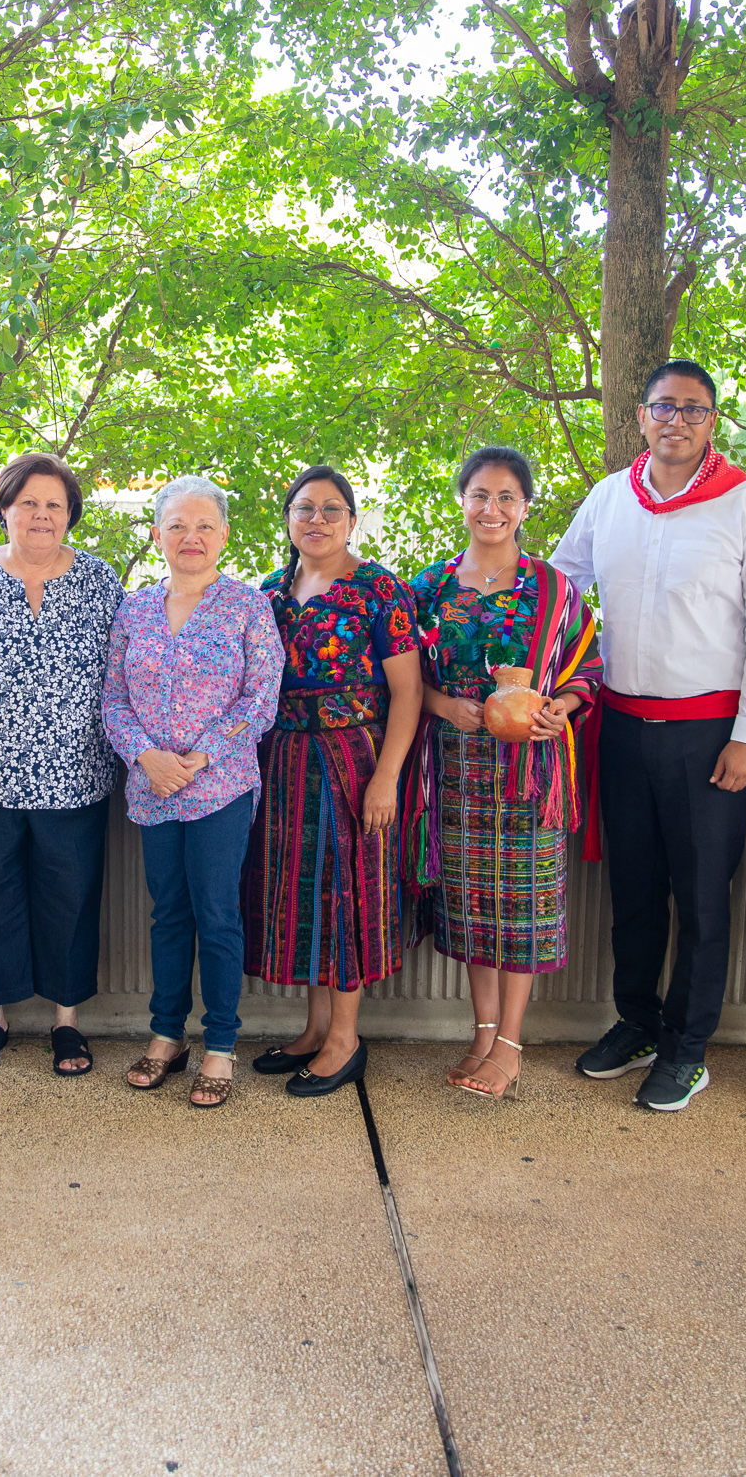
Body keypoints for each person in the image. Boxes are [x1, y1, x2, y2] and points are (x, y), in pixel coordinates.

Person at [552, 359, 746, 1113]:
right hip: (621, 726)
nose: (677, 420)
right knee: (633, 892)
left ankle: (689, 1048)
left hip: (708, 734)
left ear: (712, 421)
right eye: (664, 406)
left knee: (701, 901)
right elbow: (559, 586)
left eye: (693, 409)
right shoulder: (608, 497)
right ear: (641, 414)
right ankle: (639, 1022)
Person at [405, 447, 601, 1102]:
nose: (492, 508)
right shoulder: (429, 588)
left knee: (520, 907)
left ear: (524, 506)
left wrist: (560, 709)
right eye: (481, 494)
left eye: (507, 496)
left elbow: (586, 665)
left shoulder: (551, 587)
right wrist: (444, 706)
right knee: (472, 908)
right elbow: (406, 680)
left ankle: (510, 1044)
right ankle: (482, 1031)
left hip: (527, 773)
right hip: (455, 769)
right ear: (462, 500)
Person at [104, 476, 284, 1109]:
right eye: (178, 525)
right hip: (152, 788)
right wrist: (146, 756)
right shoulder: (134, 609)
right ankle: (165, 1034)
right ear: (156, 535)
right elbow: (113, 699)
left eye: (204, 525)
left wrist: (201, 756)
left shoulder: (247, 607)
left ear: (224, 537)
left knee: (218, 913)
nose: (191, 537)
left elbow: (261, 697)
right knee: (168, 912)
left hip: (221, 787)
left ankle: (220, 1045)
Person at [244, 464, 423, 1098]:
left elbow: (407, 693)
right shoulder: (268, 592)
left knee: (347, 892)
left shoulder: (380, 590)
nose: (316, 521)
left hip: (353, 756)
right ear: (288, 519)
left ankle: (346, 1039)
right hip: (284, 758)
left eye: (331, 510)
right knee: (303, 894)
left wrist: (387, 778)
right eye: (304, 509)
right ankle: (316, 1027)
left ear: (351, 519)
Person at [0, 453, 124, 1079]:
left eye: (53, 505)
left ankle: (66, 1021)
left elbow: (131, 671)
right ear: (5, 510)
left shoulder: (101, 581)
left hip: (75, 771)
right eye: (28, 503)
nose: (41, 515)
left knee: (69, 897)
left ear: (70, 514)